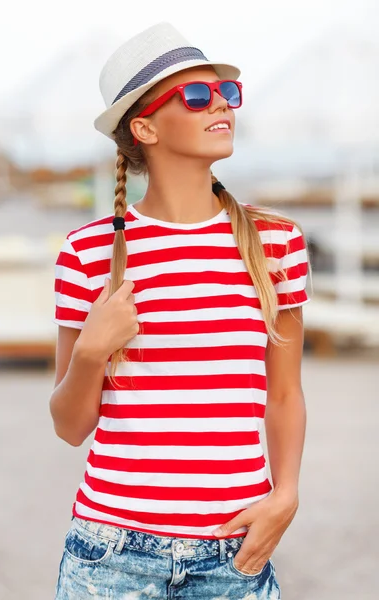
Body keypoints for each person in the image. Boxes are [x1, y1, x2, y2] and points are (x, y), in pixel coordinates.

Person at [50, 21, 312, 600]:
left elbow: (285, 393)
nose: (220, 104)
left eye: (226, 94)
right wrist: (92, 351)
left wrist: (285, 496)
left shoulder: (276, 243)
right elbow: (70, 427)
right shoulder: (88, 252)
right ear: (144, 127)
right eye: (196, 96)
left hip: (233, 552)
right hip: (108, 554)